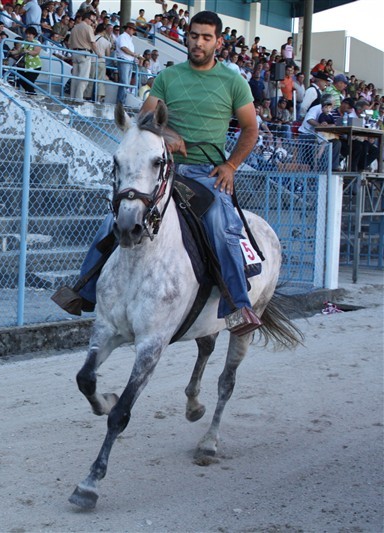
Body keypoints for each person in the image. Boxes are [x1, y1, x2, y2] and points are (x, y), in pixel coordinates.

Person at [75, 11, 263, 335]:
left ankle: (236, 305)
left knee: (221, 222)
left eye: (206, 37)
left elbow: (249, 129)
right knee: (115, 217)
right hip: (167, 172)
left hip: (207, 174)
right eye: (194, 35)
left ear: (219, 42)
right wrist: (170, 136)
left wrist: (231, 166)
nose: (198, 42)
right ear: (186, 37)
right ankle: (84, 290)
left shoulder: (234, 83)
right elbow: (146, 122)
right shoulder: (169, 77)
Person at [298, 95, 341, 171]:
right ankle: (321, 166)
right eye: (333, 103)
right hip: (308, 133)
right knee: (323, 142)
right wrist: (320, 125)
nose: (334, 105)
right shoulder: (316, 108)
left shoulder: (329, 112)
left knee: (337, 142)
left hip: (321, 134)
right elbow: (309, 119)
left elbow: (331, 123)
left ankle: (333, 167)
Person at [68, 11, 96, 101]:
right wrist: (99, 54)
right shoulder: (88, 28)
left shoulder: (74, 28)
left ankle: (72, 97)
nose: (92, 23)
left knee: (75, 77)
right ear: (87, 19)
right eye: (92, 21)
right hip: (85, 53)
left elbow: (69, 43)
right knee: (83, 78)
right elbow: (93, 43)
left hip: (75, 53)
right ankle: (78, 98)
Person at [10, 26, 41, 95]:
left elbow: (36, 52)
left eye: (30, 34)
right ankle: (31, 94)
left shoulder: (37, 43)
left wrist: (28, 51)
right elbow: (19, 51)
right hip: (26, 67)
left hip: (35, 67)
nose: (28, 35)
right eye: (27, 33)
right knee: (21, 80)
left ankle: (32, 95)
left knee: (29, 82)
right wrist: (12, 52)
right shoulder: (24, 42)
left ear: (34, 35)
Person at [115, 21, 139, 103]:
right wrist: (133, 54)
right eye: (133, 30)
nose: (134, 31)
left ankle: (122, 101)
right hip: (124, 60)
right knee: (124, 82)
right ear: (128, 29)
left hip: (128, 61)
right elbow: (123, 48)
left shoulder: (128, 38)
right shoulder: (123, 37)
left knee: (126, 83)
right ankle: (120, 102)